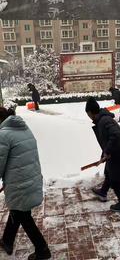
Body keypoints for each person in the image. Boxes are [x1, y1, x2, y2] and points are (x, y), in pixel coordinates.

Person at [0, 107, 51, 259]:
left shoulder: (3, 134)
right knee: (18, 210)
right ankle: (7, 240)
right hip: (30, 178)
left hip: (19, 183)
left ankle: (43, 250)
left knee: (23, 215)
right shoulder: (24, 128)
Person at [86, 99, 120, 212]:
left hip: (117, 155)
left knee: (115, 180)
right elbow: (107, 140)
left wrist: (107, 151)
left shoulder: (105, 120)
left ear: (91, 112)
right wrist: (104, 153)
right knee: (108, 172)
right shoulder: (101, 120)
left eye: (87, 113)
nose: (88, 116)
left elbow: (115, 135)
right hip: (113, 154)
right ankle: (103, 192)